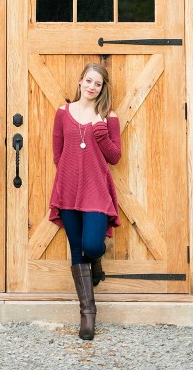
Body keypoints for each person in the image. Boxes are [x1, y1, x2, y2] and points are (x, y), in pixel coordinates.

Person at [49, 62, 121, 340]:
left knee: (92, 245)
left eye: (97, 84)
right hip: (68, 190)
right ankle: (87, 316)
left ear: (102, 89)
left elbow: (115, 157)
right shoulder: (62, 113)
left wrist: (100, 134)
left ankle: (98, 264)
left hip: (96, 191)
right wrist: (70, 174)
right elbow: (58, 153)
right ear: (80, 82)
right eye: (88, 81)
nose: (92, 87)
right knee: (77, 250)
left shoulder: (107, 116)